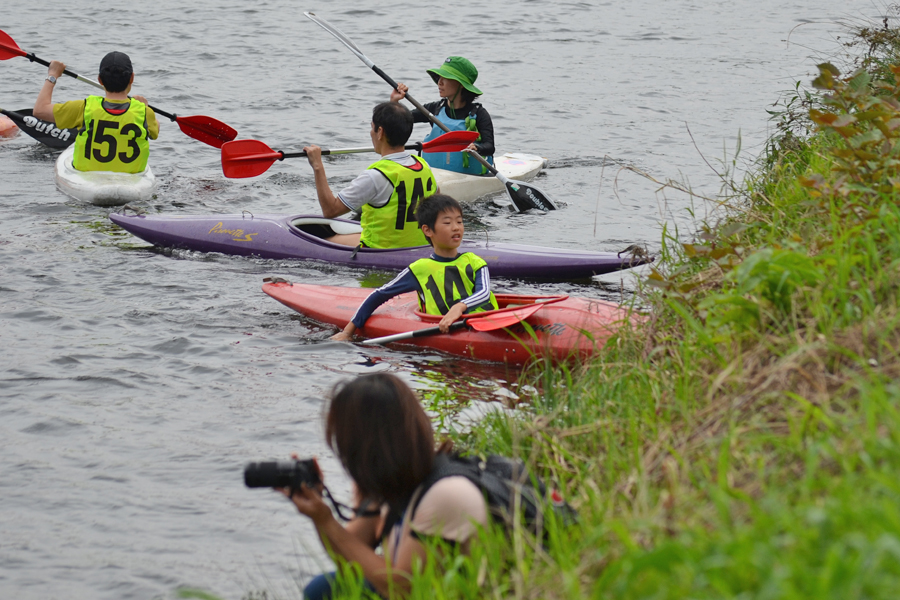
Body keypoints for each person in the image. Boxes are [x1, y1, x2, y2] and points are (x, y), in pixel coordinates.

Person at [284, 373, 489, 599]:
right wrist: (317, 509)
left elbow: (402, 589)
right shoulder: (395, 485)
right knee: (324, 588)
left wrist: (326, 520)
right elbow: (349, 562)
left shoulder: (445, 493)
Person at [331, 194, 498, 342]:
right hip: (451, 331)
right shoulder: (419, 270)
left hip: (491, 324)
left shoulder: (475, 261)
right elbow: (379, 294)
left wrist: (459, 307)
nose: (456, 227)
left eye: (459, 221)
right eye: (447, 222)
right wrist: (348, 331)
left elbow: (483, 293)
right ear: (427, 230)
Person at [304, 102, 438, 248]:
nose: (371, 132)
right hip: (419, 246)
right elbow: (437, 203)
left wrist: (317, 166)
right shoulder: (425, 166)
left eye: (371, 127)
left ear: (380, 132)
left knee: (321, 240)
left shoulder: (375, 176)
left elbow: (330, 211)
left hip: (382, 248)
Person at [33, 51, 159, 173]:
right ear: (132, 78)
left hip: (87, 179)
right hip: (131, 182)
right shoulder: (145, 112)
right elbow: (155, 131)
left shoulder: (84, 107)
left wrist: (52, 75)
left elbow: (40, 110)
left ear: (100, 80)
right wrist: (144, 107)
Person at [390, 56, 495, 176]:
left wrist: (477, 147)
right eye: (439, 77)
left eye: (445, 78)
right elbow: (399, 120)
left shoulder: (479, 114)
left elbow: (490, 146)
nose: (439, 82)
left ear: (461, 84)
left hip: (469, 178)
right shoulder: (434, 109)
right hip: (437, 176)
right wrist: (394, 102)